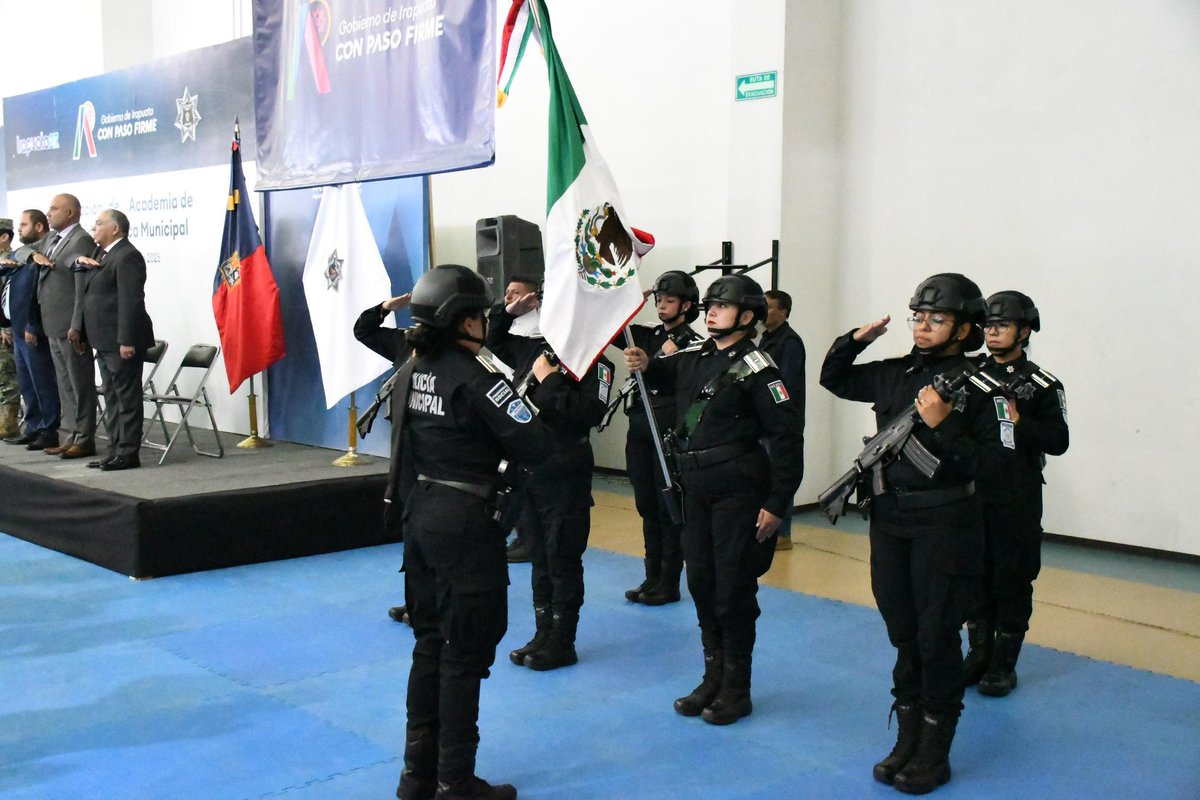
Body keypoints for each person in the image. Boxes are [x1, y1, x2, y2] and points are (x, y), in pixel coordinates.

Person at [819, 273, 1012, 794]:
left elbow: (996, 467)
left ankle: (935, 746)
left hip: (946, 524)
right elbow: (834, 379)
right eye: (918, 317)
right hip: (890, 520)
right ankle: (907, 735)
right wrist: (855, 340)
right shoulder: (894, 373)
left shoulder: (981, 387)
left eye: (936, 319)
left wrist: (943, 424)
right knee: (902, 632)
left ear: (964, 328)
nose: (923, 327)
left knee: (935, 636)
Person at [392, 265, 549, 800]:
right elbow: (535, 443)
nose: (486, 322)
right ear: (462, 320)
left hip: (421, 516)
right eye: (481, 314)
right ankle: (456, 781)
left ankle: (416, 777)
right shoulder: (476, 376)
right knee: (465, 653)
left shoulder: (413, 368)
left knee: (429, 644)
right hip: (464, 523)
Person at [624, 273, 803, 726]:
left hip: (739, 491)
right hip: (696, 489)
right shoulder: (699, 355)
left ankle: (736, 689)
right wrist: (646, 361)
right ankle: (712, 677)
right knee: (701, 582)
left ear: (746, 316)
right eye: (709, 306)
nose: (710, 312)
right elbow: (666, 373)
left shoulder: (761, 368)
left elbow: (786, 439)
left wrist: (778, 503)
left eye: (720, 307)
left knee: (733, 589)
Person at [496, 290, 614, 672]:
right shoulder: (537, 353)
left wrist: (549, 383)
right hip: (531, 470)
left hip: (566, 471)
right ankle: (542, 632)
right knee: (539, 559)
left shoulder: (598, 364)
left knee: (562, 558)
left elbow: (587, 413)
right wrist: (506, 311)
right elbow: (492, 341)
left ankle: (563, 641)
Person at [964, 291, 1069, 697]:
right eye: (988, 326)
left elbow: (1058, 441)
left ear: (1024, 331)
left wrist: (1018, 419)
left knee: (1012, 577)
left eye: (1001, 325)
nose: (992, 333)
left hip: (1017, 494)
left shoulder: (1043, 384)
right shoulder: (967, 375)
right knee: (974, 575)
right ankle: (976, 655)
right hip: (973, 491)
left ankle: (1003, 664)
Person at [610, 270, 702, 605]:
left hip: (667, 431)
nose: (662, 305)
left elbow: (684, 380)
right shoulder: (646, 337)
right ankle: (651, 577)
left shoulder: (694, 344)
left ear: (687, 305)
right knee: (646, 505)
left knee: (667, 509)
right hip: (640, 429)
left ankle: (669, 582)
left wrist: (652, 364)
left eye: (670, 300)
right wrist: (633, 300)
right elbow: (612, 329)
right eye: (660, 299)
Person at [74, 210, 155, 471]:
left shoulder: (127, 255)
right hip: (104, 339)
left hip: (121, 341)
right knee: (111, 398)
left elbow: (130, 301)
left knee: (126, 398)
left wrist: (127, 340)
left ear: (115, 229)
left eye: (99, 224)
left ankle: (128, 453)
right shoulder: (101, 254)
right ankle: (114, 450)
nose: (93, 228)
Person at [354, 292, 415, 627]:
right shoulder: (405, 343)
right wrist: (384, 308)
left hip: (437, 451)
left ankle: (431, 602)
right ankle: (415, 600)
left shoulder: (457, 353)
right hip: (405, 445)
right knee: (410, 525)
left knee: (429, 529)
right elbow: (363, 331)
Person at [30, 193, 97, 456]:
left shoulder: (80, 238)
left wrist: (76, 324)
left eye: (54, 209)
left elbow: (77, 268)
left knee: (80, 384)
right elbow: (24, 247)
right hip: (52, 322)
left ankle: (84, 438)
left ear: (71, 213)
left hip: (71, 325)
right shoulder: (50, 238)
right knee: (65, 383)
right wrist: (33, 256)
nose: (48, 213)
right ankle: (69, 434)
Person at [486, 275, 543, 564]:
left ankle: (530, 539)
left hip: (534, 411)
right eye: (507, 292)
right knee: (513, 478)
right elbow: (493, 339)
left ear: (532, 298)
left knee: (532, 484)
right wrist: (504, 312)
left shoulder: (539, 329)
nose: (510, 297)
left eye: (517, 293)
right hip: (510, 408)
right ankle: (523, 534)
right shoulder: (514, 327)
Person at [1, 211, 59, 447]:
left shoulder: (44, 253)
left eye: (23, 225)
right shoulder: (27, 253)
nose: (19, 230)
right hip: (16, 327)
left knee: (42, 381)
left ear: (38, 226)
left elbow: (37, 295)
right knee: (26, 382)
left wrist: (31, 325)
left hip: (31, 327)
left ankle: (48, 429)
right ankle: (33, 425)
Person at [759, 289, 807, 551]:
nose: (764, 311)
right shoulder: (766, 339)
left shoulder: (789, 342)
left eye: (768, 307)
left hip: (783, 423)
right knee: (766, 475)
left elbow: (784, 385)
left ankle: (782, 533)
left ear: (784, 312)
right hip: (765, 421)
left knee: (781, 475)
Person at [0, 218, 21, 437]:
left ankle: (8, 424)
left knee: (6, 377)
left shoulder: (11, 262)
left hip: (6, 328)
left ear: (4, 237)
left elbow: (8, 299)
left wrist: (5, 328)